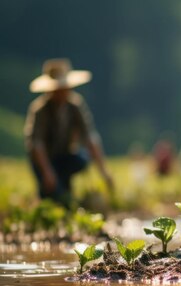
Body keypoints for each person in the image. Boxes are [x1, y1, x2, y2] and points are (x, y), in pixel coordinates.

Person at [24, 58, 114, 206]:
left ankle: (64, 189)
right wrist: (47, 172)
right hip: (44, 160)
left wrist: (104, 172)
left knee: (82, 159)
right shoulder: (39, 110)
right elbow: (36, 144)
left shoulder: (75, 106)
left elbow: (90, 137)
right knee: (53, 196)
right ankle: (50, 193)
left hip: (64, 156)